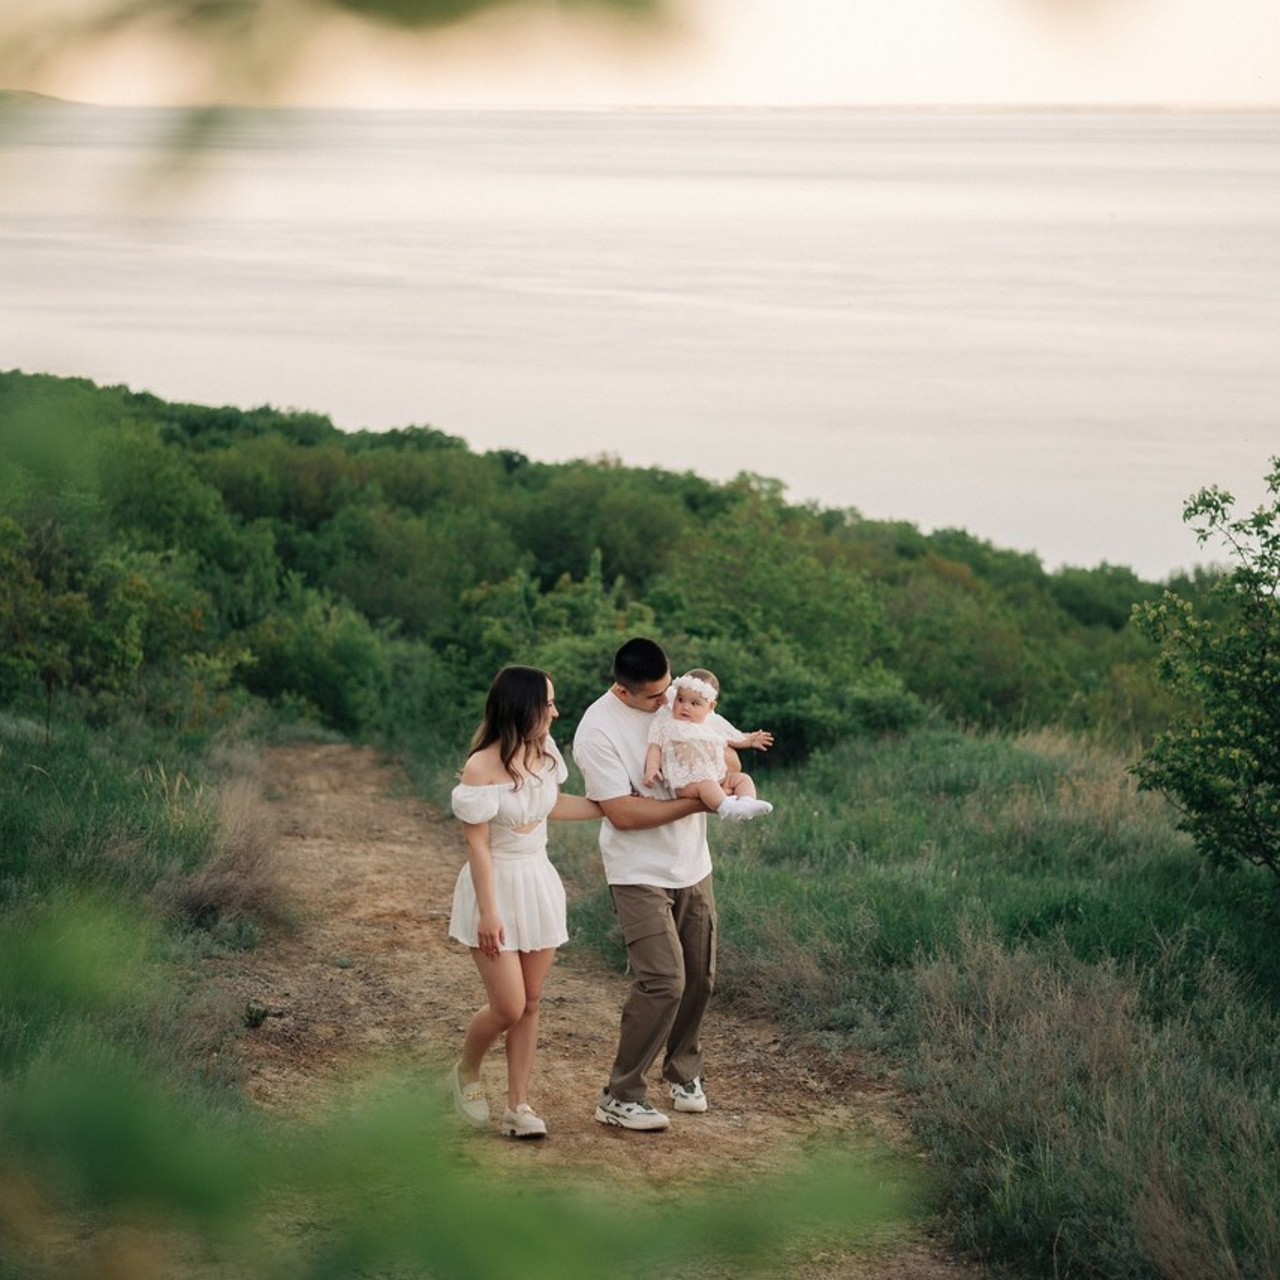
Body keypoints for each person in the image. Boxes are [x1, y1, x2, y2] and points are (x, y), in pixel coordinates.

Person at [572, 637, 742, 1131]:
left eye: (670, 690)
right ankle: (620, 1094)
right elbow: (622, 813)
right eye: (654, 697)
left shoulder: (679, 698)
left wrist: (720, 771)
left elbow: (730, 762)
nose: (667, 702)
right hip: (637, 871)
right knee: (664, 980)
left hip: (692, 862)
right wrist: (700, 801)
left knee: (701, 976)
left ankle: (682, 1072)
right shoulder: (596, 731)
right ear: (623, 692)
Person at [447, 664, 602, 1139]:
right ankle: (466, 1073)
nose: (556, 711)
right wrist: (489, 912)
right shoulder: (481, 766)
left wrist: (610, 806)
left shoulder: (546, 753)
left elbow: (550, 804)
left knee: (532, 1002)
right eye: (549, 703)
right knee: (509, 1006)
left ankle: (519, 1106)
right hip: (494, 886)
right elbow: (477, 844)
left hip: (538, 882)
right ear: (523, 707)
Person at [643, 668, 773, 821]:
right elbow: (655, 745)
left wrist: (750, 740)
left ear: (710, 707)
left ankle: (746, 803)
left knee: (743, 779)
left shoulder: (711, 723)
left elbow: (733, 738)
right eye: (680, 699)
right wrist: (651, 768)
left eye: (694, 703)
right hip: (688, 781)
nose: (685, 707)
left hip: (717, 775)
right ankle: (728, 808)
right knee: (706, 785)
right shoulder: (669, 723)